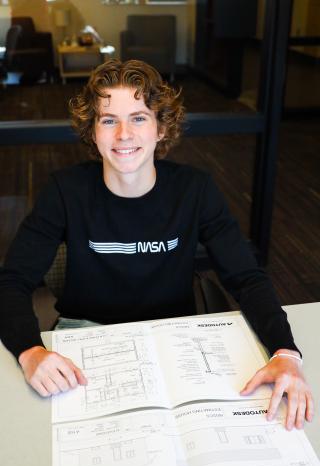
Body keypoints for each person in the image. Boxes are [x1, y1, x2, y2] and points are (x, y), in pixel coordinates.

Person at [0, 59, 313, 430]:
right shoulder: (65, 191)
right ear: (92, 130)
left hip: (174, 340)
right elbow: (12, 281)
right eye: (108, 119)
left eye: (138, 117)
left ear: (161, 128)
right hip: (87, 341)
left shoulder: (194, 189)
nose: (123, 135)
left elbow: (247, 277)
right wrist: (30, 350)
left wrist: (285, 351)